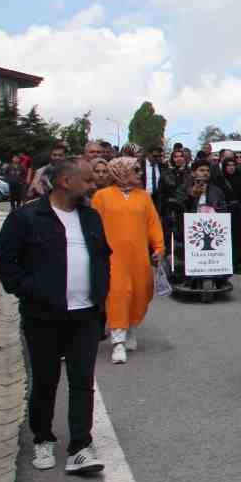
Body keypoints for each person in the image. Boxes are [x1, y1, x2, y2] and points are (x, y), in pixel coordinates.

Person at [0, 159, 111, 476]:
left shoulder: (91, 217)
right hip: (43, 316)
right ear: (65, 182)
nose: (93, 185)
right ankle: (43, 437)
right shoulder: (27, 217)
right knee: (45, 381)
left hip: (85, 315)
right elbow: (3, 262)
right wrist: (30, 290)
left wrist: (101, 302)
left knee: (82, 381)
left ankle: (80, 447)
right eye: (87, 180)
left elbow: (102, 258)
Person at [89, 156, 165, 364]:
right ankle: (118, 342)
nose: (140, 174)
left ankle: (131, 327)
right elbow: (93, 227)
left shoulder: (144, 197)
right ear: (121, 172)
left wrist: (159, 247)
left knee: (141, 293)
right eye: (135, 170)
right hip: (112, 258)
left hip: (139, 257)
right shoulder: (102, 197)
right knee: (118, 295)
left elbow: (153, 224)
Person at [220, 151, 241, 273]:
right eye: (228, 165)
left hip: (238, 212)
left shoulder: (240, 177)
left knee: (238, 237)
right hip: (225, 211)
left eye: (233, 165)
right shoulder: (221, 179)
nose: (231, 167)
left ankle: (238, 262)